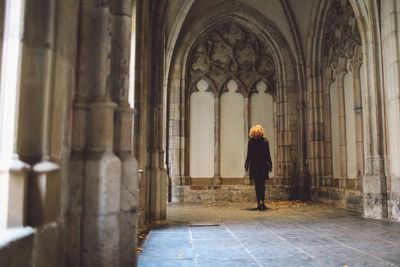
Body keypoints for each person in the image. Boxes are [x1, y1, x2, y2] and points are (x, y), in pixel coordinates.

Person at [244, 125, 272, 210]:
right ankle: (262, 201)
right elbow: (268, 154)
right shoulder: (265, 141)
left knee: (257, 185)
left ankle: (258, 201)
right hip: (263, 165)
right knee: (262, 184)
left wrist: (246, 164)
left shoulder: (251, 142)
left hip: (254, 165)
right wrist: (270, 164)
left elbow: (249, 154)